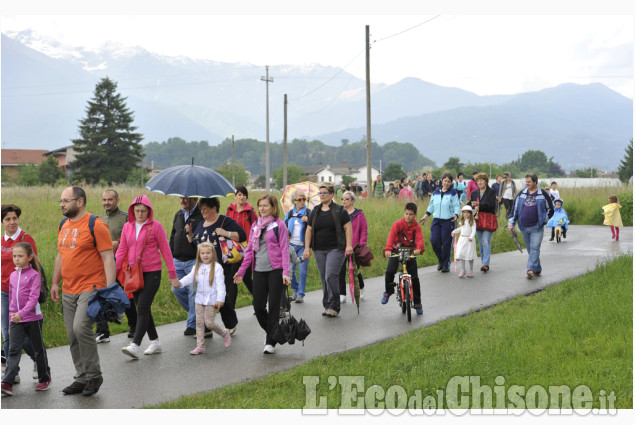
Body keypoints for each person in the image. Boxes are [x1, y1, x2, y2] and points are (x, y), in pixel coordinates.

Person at [51, 186, 115, 397]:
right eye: (61, 200)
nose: (62, 204)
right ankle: (81, 377)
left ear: (79, 202)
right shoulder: (63, 224)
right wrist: (54, 283)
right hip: (69, 288)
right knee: (71, 334)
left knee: (81, 328)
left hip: (91, 286)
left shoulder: (96, 225)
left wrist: (110, 290)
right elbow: (61, 256)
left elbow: (108, 258)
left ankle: (94, 375)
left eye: (66, 200)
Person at [117, 195, 179, 359]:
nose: (139, 214)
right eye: (137, 210)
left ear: (149, 211)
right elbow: (122, 250)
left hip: (152, 272)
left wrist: (172, 274)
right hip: (133, 273)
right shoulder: (127, 227)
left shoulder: (156, 226)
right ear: (132, 211)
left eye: (143, 211)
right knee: (142, 308)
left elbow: (166, 251)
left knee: (143, 307)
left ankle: (135, 345)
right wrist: (113, 274)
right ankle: (155, 342)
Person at [234, 194, 290, 354]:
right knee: (258, 306)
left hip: (275, 271)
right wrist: (241, 271)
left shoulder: (279, 226)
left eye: (265, 205)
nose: (262, 209)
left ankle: (270, 341)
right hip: (258, 271)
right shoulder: (255, 227)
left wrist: (286, 272)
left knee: (273, 307)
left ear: (273, 208)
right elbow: (249, 251)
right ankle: (273, 333)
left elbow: (285, 250)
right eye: (260, 206)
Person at [186, 197, 246, 335]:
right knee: (206, 295)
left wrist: (225, 233)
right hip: (205, 268)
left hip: (222, 267)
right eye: (201, 209)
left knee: (221, 295)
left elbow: (242, 236)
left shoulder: (225, 221)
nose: (202, 212)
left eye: (205, 209)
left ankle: (230, 323)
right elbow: (197, 245)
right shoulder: (201, 224)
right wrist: (190, 235)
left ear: (214, 208)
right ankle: (207, 328)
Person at [1, 242, 52, 395]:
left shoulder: (35, 276)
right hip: (16, 319)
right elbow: (11, 299)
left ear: (29, 257)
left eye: (20, 256)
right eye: (14, 256)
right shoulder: (13, 275)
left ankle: (44, 378)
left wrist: (21, 314)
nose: (16, 259)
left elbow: (33, 298)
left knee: (38, 349)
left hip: (32, 318)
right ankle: (7, 382)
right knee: (13, 349)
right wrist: (12, 318)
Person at [303, 183, 353, 318]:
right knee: (324, 277)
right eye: (320, 193)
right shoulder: (315, 211)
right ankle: (327, 305)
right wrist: (307, 247)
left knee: (330, 275)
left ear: (331, 194)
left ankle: (334, 305)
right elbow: (309, 230)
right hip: (319, 249)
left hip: (336, 248)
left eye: (325, 193)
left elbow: (348, 228)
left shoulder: (339, 210)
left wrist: (349, 246)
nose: (322, 195)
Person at [172, 242, 232, 355]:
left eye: (208, 253)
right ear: (199, 255)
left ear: (213, 254)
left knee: (209, 323)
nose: (205, 255)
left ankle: (224, 334)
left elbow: (220, 285)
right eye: (203, 253)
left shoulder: (217, 268)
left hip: (212, 299)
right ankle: (200, 346)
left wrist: (220, 299)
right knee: (199, 323)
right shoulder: (197, 267)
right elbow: (189, 278)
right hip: (199, 299)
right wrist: (179, 283)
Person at [2, 204, 39, 383]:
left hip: (25, 295)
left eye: (14, 218)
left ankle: (39, 362)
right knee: (7, 334)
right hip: (4, 293)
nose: (12, 222)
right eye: (8, 219)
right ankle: (12, 373)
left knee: (24, 337)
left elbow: (35, 266)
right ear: (2, 222)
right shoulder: (1, 241)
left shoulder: (25, 238)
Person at [95, 189, 137, 343]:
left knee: (126, 296)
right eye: (104, 199)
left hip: (123, 264)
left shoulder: (125, 217)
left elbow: (132, 236)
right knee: (101, 295)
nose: (107, 202)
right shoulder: (99, 219)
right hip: (104, 264)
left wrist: (118, 243)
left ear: (117, 201)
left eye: (110, 199)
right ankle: (102, 331)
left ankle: (134, 325)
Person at [507, 174, 553, 279]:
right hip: (523, 227)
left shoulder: (543, 195)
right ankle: (537, 268)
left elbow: (551, 209)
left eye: (529, 182)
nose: (527, 184)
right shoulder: (521, 194)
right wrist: (511, 223)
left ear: (535, 182)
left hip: (537, 227)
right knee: (530, 250)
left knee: (535, 248)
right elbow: (514, 209)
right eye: (526, 182)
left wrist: (543, 220)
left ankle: (530, 269)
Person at [381, 202, 424, 314]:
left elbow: (419, 239)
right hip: (396, 249)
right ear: (404, 213)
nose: (408, 216)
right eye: (406, 213)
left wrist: (419, 248)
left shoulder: (416, 227)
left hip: (410, 250)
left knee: (414, 278)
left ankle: (418, 303)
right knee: (390, 271)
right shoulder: (398, 224)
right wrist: (388, 249)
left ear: (415, 215)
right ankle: (388, 291)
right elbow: (391, 237)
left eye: (410, 214)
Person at [170, 196, 204, 337]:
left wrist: (191, 233)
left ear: (194, 198)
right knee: (176, 289)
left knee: (193, 292)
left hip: (193, 260)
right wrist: (171, 256)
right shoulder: (178, 214)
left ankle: (192, 325)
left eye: (186, 198)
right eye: (180, 198)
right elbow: (173, 236)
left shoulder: (201, 215)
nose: (182, 201)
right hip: (177, 260)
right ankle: (198, 315)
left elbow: (202, 238)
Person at [420, 171, 460, 273]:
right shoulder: (435, 192)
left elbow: (457, 206)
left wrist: (456, 214)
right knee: (434, 241)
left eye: (449, 181)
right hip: (437, 220)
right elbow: (431, 206)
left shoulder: (453, 193)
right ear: (442, 180)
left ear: (451, 183)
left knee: (446, 244)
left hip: (448, 221)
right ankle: (441, 260)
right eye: (445, 181)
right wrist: (426, 216)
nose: (446, 183)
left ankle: (445, 265)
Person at [226, 186, 258, 296]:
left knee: (247, 278)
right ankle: (231, 308)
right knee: (232, 278)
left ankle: (259, 302)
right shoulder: (230, 210)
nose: (242, 197)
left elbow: (256, 229)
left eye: (244, 194)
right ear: (235, 196)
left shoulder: (251, 212)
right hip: (234, 249)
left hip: (247, 250)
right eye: (239, 194)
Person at [338, 191, 368, 303]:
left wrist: (362, 244)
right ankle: (342, 294)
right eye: (343, 199)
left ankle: (361, 288)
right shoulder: (339, 213)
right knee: (341, 270)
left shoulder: (359, 214)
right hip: (342, 246)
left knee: (355, 270)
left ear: (352, 201)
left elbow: (364, 229)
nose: (344, 201)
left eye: (347, 199)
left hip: (355, 246)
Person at [284, 190, 311, 303]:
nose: (302, 201)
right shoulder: (290, 213)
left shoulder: (309, 212)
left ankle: (300, 294)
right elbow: (283, 227)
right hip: (291, 246)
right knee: (290, 270)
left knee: (302, 271)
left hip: (303, 246)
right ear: (294, 201)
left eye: (304, 199)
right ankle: (295, 289)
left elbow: (315, 225)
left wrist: (308, 220)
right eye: (299, 199)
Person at [469, 173, 498, 272]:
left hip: (488, 220)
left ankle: (486, 263)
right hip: (477, 220)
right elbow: (470, 205)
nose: (479, 182)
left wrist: (479, 204)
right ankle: (483, 262)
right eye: (478, 180)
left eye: (482, 180)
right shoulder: (474, 193)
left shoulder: (492, 192)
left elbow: (492, 205)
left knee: (486, 241)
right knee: (481, 243)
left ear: (486, 181)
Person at [452, 206, 477, 278]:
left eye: (468, 212)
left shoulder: (472, 222)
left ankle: (471, 270)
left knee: (470, 255)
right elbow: (461, 228)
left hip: (469, 240)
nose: (466, 214)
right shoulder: (462, 221)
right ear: (462, 214)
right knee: (461, 254)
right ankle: (463, 270)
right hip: (462, 239)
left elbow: (473, 230)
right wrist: (454, 231)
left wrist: (471, 237)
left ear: (471, 214)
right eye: (464, 212)